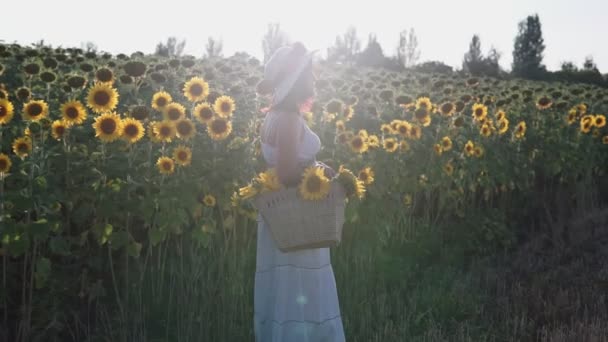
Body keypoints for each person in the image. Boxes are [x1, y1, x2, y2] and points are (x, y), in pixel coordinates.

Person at [253, 42, 346, 342]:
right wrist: (322, 176)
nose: (314, 80)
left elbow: (286, 163)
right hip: (299, 216)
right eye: (309, 74)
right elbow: (287, 172)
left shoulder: (273, 117)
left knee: (282, 288)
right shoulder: (290, 120)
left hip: (280, 219)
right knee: (302, 287)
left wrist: (319, 165)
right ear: (297, 80)